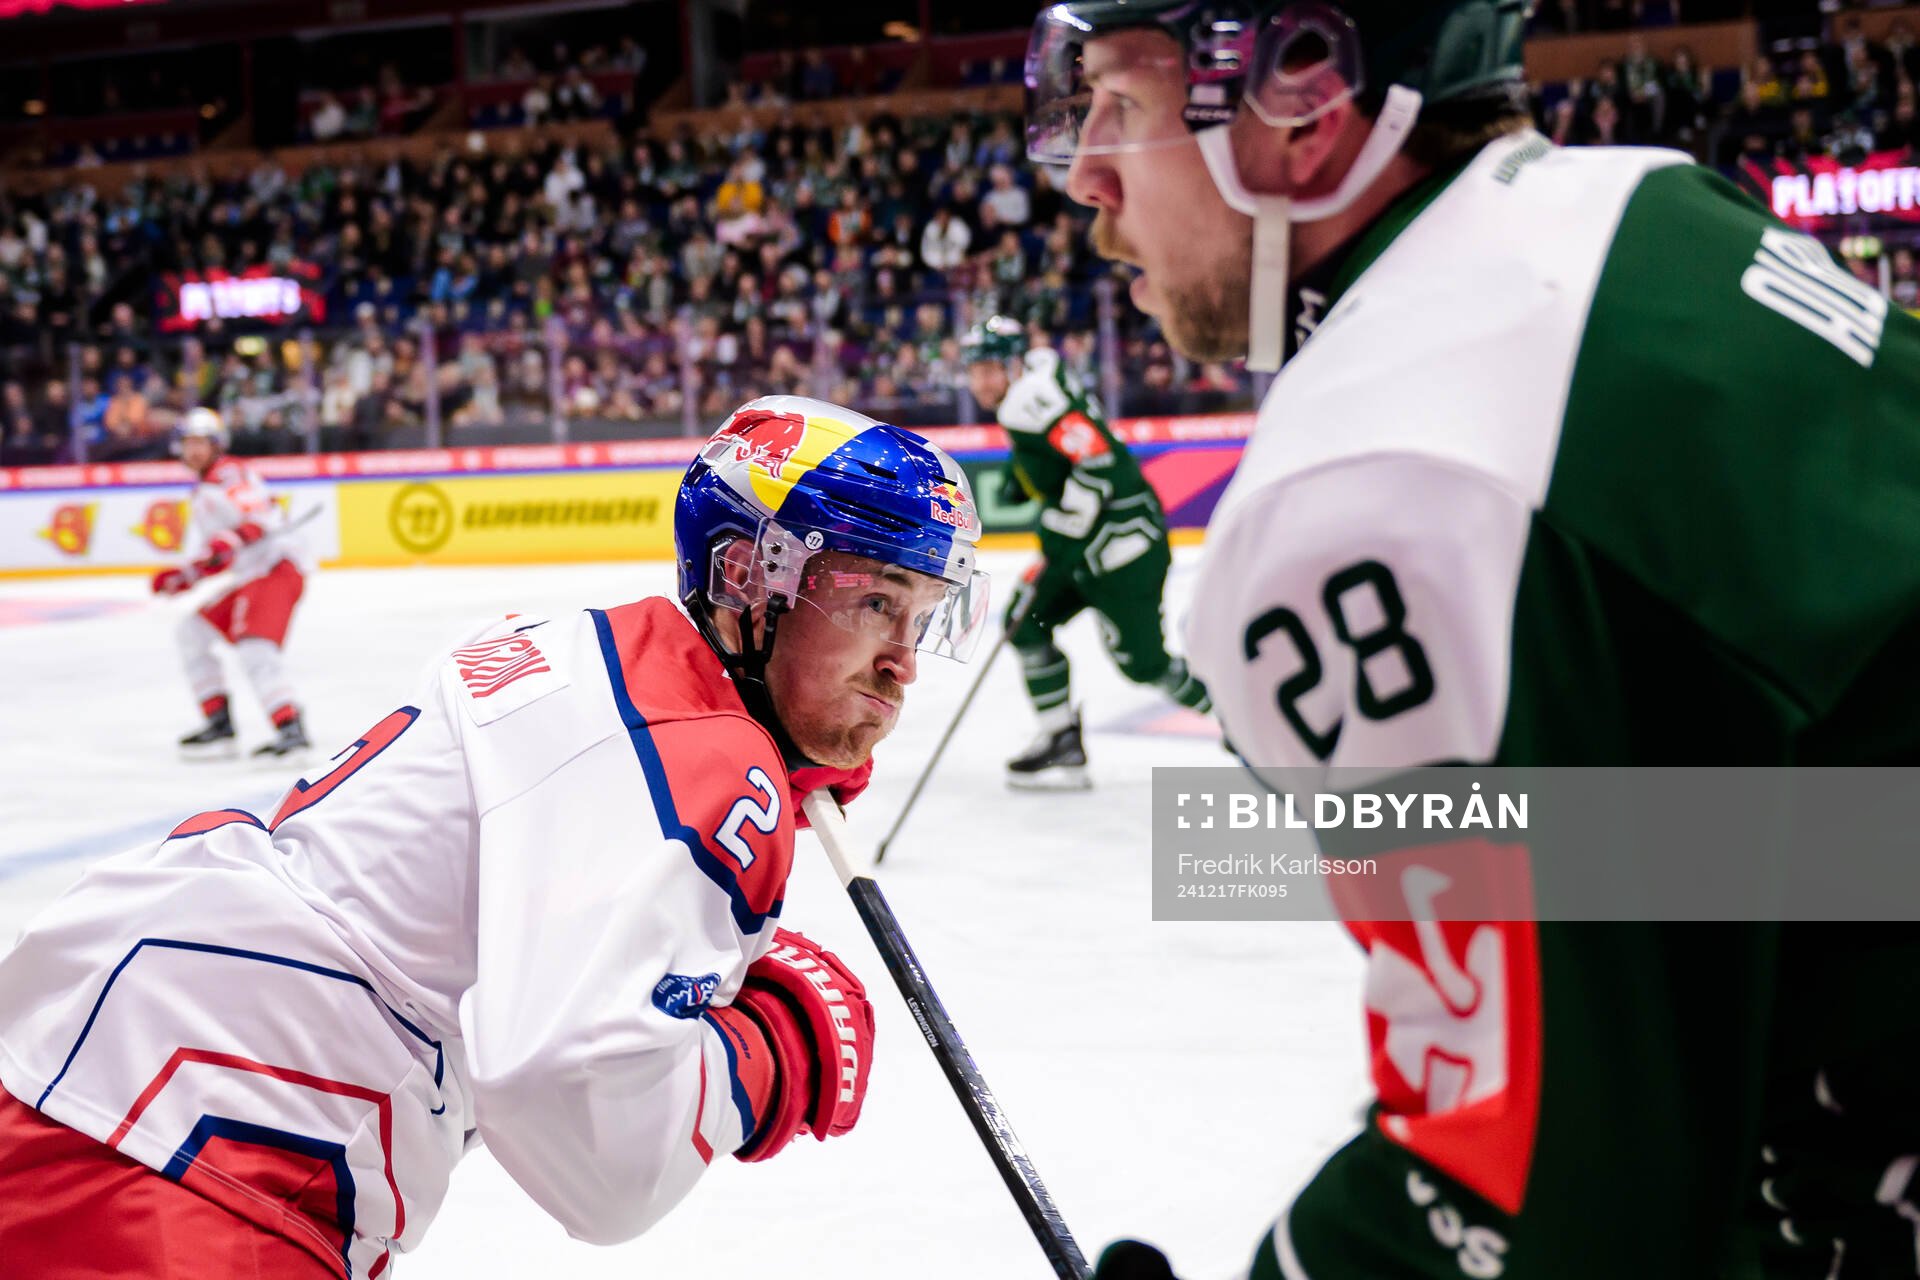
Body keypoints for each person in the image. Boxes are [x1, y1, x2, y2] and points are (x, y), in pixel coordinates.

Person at [1027, 1, 1920, 1277]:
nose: (1087, 180)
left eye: (1118, 103)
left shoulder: (1383, 475)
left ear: (1301, 94)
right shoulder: (1645, 202)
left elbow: (1548, 1195)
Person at [0, 396, 989, 1276]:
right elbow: (592, 1144)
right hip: (211, 1162)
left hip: (73, 1059)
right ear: (745, 575)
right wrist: (775, 1047)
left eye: (921, 616)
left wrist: (764, 733)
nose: (904, 662)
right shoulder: (708, 761)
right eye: (872, 603)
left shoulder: (572, 642)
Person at [963, 314, 1209, 789]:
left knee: (1146, 666)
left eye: (990, 368)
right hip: (1085, 549)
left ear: (1013, 366)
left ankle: (1236, 720)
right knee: (1027, 624)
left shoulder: (1027, 401)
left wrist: (1062, 526)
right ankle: (1061, 739)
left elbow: (1099, 462)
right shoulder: (1036, 382)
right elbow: (1067, 451)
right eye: (974, 370)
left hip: (1121, 549)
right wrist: (1026, 477)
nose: (980, 381)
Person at [153, 407, 314, 759]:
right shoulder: (203, 490)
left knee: (255, 646)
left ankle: (290, 727)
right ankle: (220, 725)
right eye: (188, 443)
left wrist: (229, 541)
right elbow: (219, 555)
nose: (193, 451)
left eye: (201, 443)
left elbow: (260, 519)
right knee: (191, 632)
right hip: (252, 573)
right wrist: (185, 576)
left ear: (217, 444)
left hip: (276, 567)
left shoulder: (228, 474)